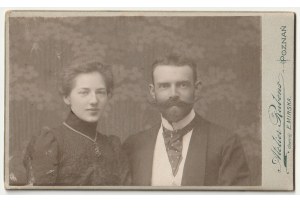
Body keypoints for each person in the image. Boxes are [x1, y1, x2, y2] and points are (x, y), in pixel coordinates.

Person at [123, 54, 250, 186]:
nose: (173, 94)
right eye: (164, 86)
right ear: (153, 91)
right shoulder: (133, 146)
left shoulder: (225, 144)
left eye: (182, 85)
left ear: (196, 88)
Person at [24, 61, 129, 186]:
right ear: (67, 98)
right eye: (84, 92)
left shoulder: (113, 146)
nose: (94, 100)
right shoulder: (51, 142)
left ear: (109, 95)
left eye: (100, 92)